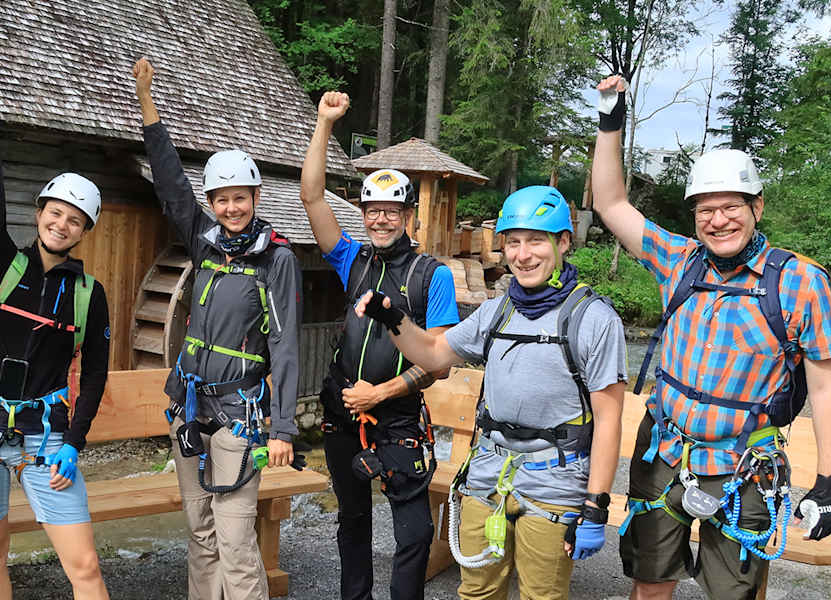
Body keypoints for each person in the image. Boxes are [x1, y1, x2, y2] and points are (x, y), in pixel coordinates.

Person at [588, 76, 831, 600]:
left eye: (732, 206)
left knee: (733, 593)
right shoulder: (679, 261)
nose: (718, 219)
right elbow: (611, 205)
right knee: (650, 580)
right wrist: (611, 121)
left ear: (758, 207)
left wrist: (829, 484)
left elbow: (825, 387)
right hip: (665, 453)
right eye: (705, 209)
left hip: (744, 465)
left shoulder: (798, 282)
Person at [353, 185, 626, 600]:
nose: (523, 254)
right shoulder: (498, 310)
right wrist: (391, 317)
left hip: (555, 482)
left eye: (537, 240)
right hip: (486, 475)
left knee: (542, 595)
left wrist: (595, 505)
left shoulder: (593, 318)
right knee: (477, 592)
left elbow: (609, 419)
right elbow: (432, 353)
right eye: (513, 242)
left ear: (563, 242)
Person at [0, 60, 112, 600]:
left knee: (84, 567)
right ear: (39, 214)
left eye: (74, 220)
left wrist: (75, 443)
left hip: (46, 439)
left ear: (84, 231)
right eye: (54, 213)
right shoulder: (4, 265)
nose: (61, 224)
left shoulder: (90, 295)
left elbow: (98, 374)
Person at [132, 57, 301, 600]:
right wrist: (146, 102)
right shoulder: (204, 239)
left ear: (256, 198)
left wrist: (283, 429)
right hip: (188, 405)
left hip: (239, 413)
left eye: (240, 198)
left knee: (233, 537)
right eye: (222, 199)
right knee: (199, 533)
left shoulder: (275, 259)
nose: (231, 208)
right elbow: (169, 181)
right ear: (213, 205)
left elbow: (285, 344)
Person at [300, 90, 458, 600]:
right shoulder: (353, 260)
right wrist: (325, 122)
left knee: (412, 534)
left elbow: (440, 364)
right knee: (352, 519)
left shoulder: (432, 275)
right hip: (344, 411)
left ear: (409, 214)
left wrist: (383, 392)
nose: (381, 220)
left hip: (397, 418)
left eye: (392, 211)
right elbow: (312, 198)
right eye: (372, 211)